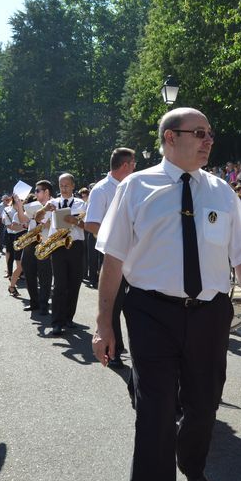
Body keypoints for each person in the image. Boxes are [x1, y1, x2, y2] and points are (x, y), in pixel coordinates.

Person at [92, 107, 241, 481]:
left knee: (204, 405)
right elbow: (113, 260)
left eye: (210, 134)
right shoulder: (135, 187)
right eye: (199, 133)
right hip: (150, 313)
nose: (209, 141)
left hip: (210, 315)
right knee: (154, 411)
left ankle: (191, 464)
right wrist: (104, 323)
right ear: (170, 137)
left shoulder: (222, 192)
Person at [85, 148, 136, 368]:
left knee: (135, 304)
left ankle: (135, 349)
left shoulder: (133, 186)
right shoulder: (101, 189)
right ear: (125, 165)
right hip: (112, 255)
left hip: (135, 256)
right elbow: (91, 224)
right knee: (112, 306)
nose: (135, 167)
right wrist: (117, 240)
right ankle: (113, 351)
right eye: (133, 163)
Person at [36, 173, 86, 336]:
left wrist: (75, 221)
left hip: (75, 245)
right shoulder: (53, 202)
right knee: (59, 285)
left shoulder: (81, 203)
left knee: (74, 283)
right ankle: (57, 322)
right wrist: (44, 209)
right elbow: (38, 218)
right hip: (57, 246)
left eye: (66, 185)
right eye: (61, 186)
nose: (63, 189)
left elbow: (88, 225)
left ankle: (68, 318)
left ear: (73, 186)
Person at [22, 181, 54, 316]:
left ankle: (44, 304)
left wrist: (47, 224)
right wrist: (18, 206)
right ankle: (34, 302)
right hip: (30, 243)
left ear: (46, 192)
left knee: (44, 275)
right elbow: (23, 219)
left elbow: (57, 224)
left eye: (37, 190)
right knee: (28, 272)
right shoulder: (33, 205)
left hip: (45, 242)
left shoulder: (54, 204)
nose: (35, 193)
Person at [4, 194, 28, 297]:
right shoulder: (15, 213)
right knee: (20, 266)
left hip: (30, 240)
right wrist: (25, 226)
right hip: (19, 239)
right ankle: (12, 286)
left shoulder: (31, 213)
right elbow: (12, 227)